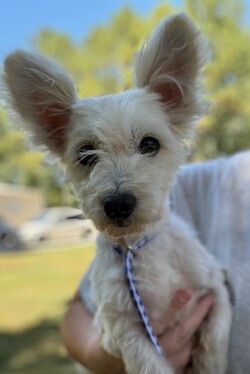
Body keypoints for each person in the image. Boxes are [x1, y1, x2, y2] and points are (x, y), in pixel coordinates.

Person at [61, 151, 250, 373]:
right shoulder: (192, 184)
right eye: (87, 156)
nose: (119, 194)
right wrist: (105, 358)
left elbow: (215, 290)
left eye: (148, 146)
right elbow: (79, 309)